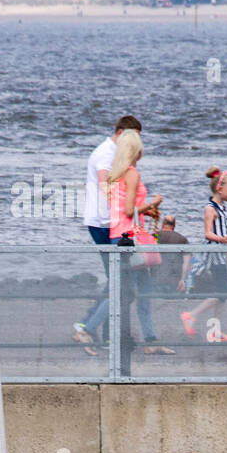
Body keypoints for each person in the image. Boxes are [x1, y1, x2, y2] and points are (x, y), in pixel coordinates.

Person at [74, 115, 142, 351]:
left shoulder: (119, 153)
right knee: (120, 283)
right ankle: (88, 328)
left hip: (110, 222)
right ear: (122, 132)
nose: (136, 141)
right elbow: (106, 184)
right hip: (104, 223)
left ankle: (100, 331)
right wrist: (124, 207)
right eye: (133, 135)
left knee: (118, 281)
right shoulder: (106, 152)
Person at [106, 129, 173, 355]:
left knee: (140, 290)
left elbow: (120, 209)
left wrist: (146, 213)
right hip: (130, 240)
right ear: (136, 149)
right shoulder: (132, 173)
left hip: (120, 235)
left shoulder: (116, 174)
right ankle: (86, 326)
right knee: (126, 293)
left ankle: (150, 340)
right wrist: (153, 204)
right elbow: (128, 211)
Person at [181, 166, 227, 341]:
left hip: (219, 252)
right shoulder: (210, 208)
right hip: (213, 253)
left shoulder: (222, 208)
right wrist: (222, 240)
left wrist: (225, 249)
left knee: (223, 294)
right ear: (220, 188)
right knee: (223, 291)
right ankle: (191, 314)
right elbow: (207, 233)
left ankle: (215, 329)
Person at [155, 214, 191, 294]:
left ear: (162, 224)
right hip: (175, 281)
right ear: (174, 225)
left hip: (156, 280)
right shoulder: (182, 239)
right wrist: (183, 280)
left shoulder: (155, 236)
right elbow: (186, 263)